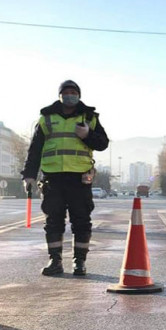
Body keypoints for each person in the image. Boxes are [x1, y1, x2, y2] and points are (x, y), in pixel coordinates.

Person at [21, 80, 109, 276]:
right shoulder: (46, 118)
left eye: (73, 92)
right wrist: (29, 175)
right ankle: (55, 261)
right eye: (66, 92)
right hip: (53, 178)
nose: (70, 95)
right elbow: (35, 149)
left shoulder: (89, 117)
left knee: (81, 221)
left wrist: (88, 135)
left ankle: (80, 262)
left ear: (79, 95)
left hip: (79, 178)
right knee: (53, 221)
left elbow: (103, 143)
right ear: (60, 96)